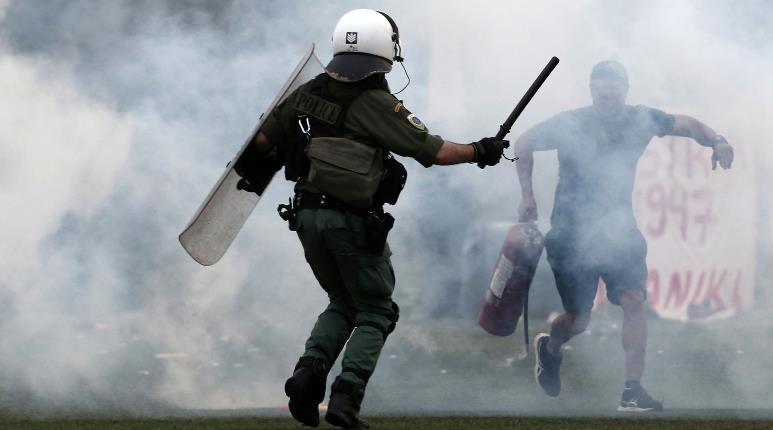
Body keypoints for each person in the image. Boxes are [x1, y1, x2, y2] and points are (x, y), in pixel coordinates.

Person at [248, 9, 507, 429]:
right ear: (387, 50)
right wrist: (481, 150)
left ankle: (306, 376)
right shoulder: (377, 104)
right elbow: (434, 151)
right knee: (376, 310)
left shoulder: (304, 94)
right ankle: (345, 400)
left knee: (342, 301)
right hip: (350, 222)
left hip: (306, 218)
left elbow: (261, 141)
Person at [515, 60, 734, 412]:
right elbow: (524, 142)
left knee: (633, 301)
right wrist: (528, 195)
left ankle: (632, 391)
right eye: (601, 94)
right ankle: (551, 347)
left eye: (614, 94)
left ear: (625, 92)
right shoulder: (571, 123)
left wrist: (718, 141)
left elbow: (688, 124)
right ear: (592, 92)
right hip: (571, 234)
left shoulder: (640, 118)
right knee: (579, 319)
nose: (608, 101)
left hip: (619, 231)